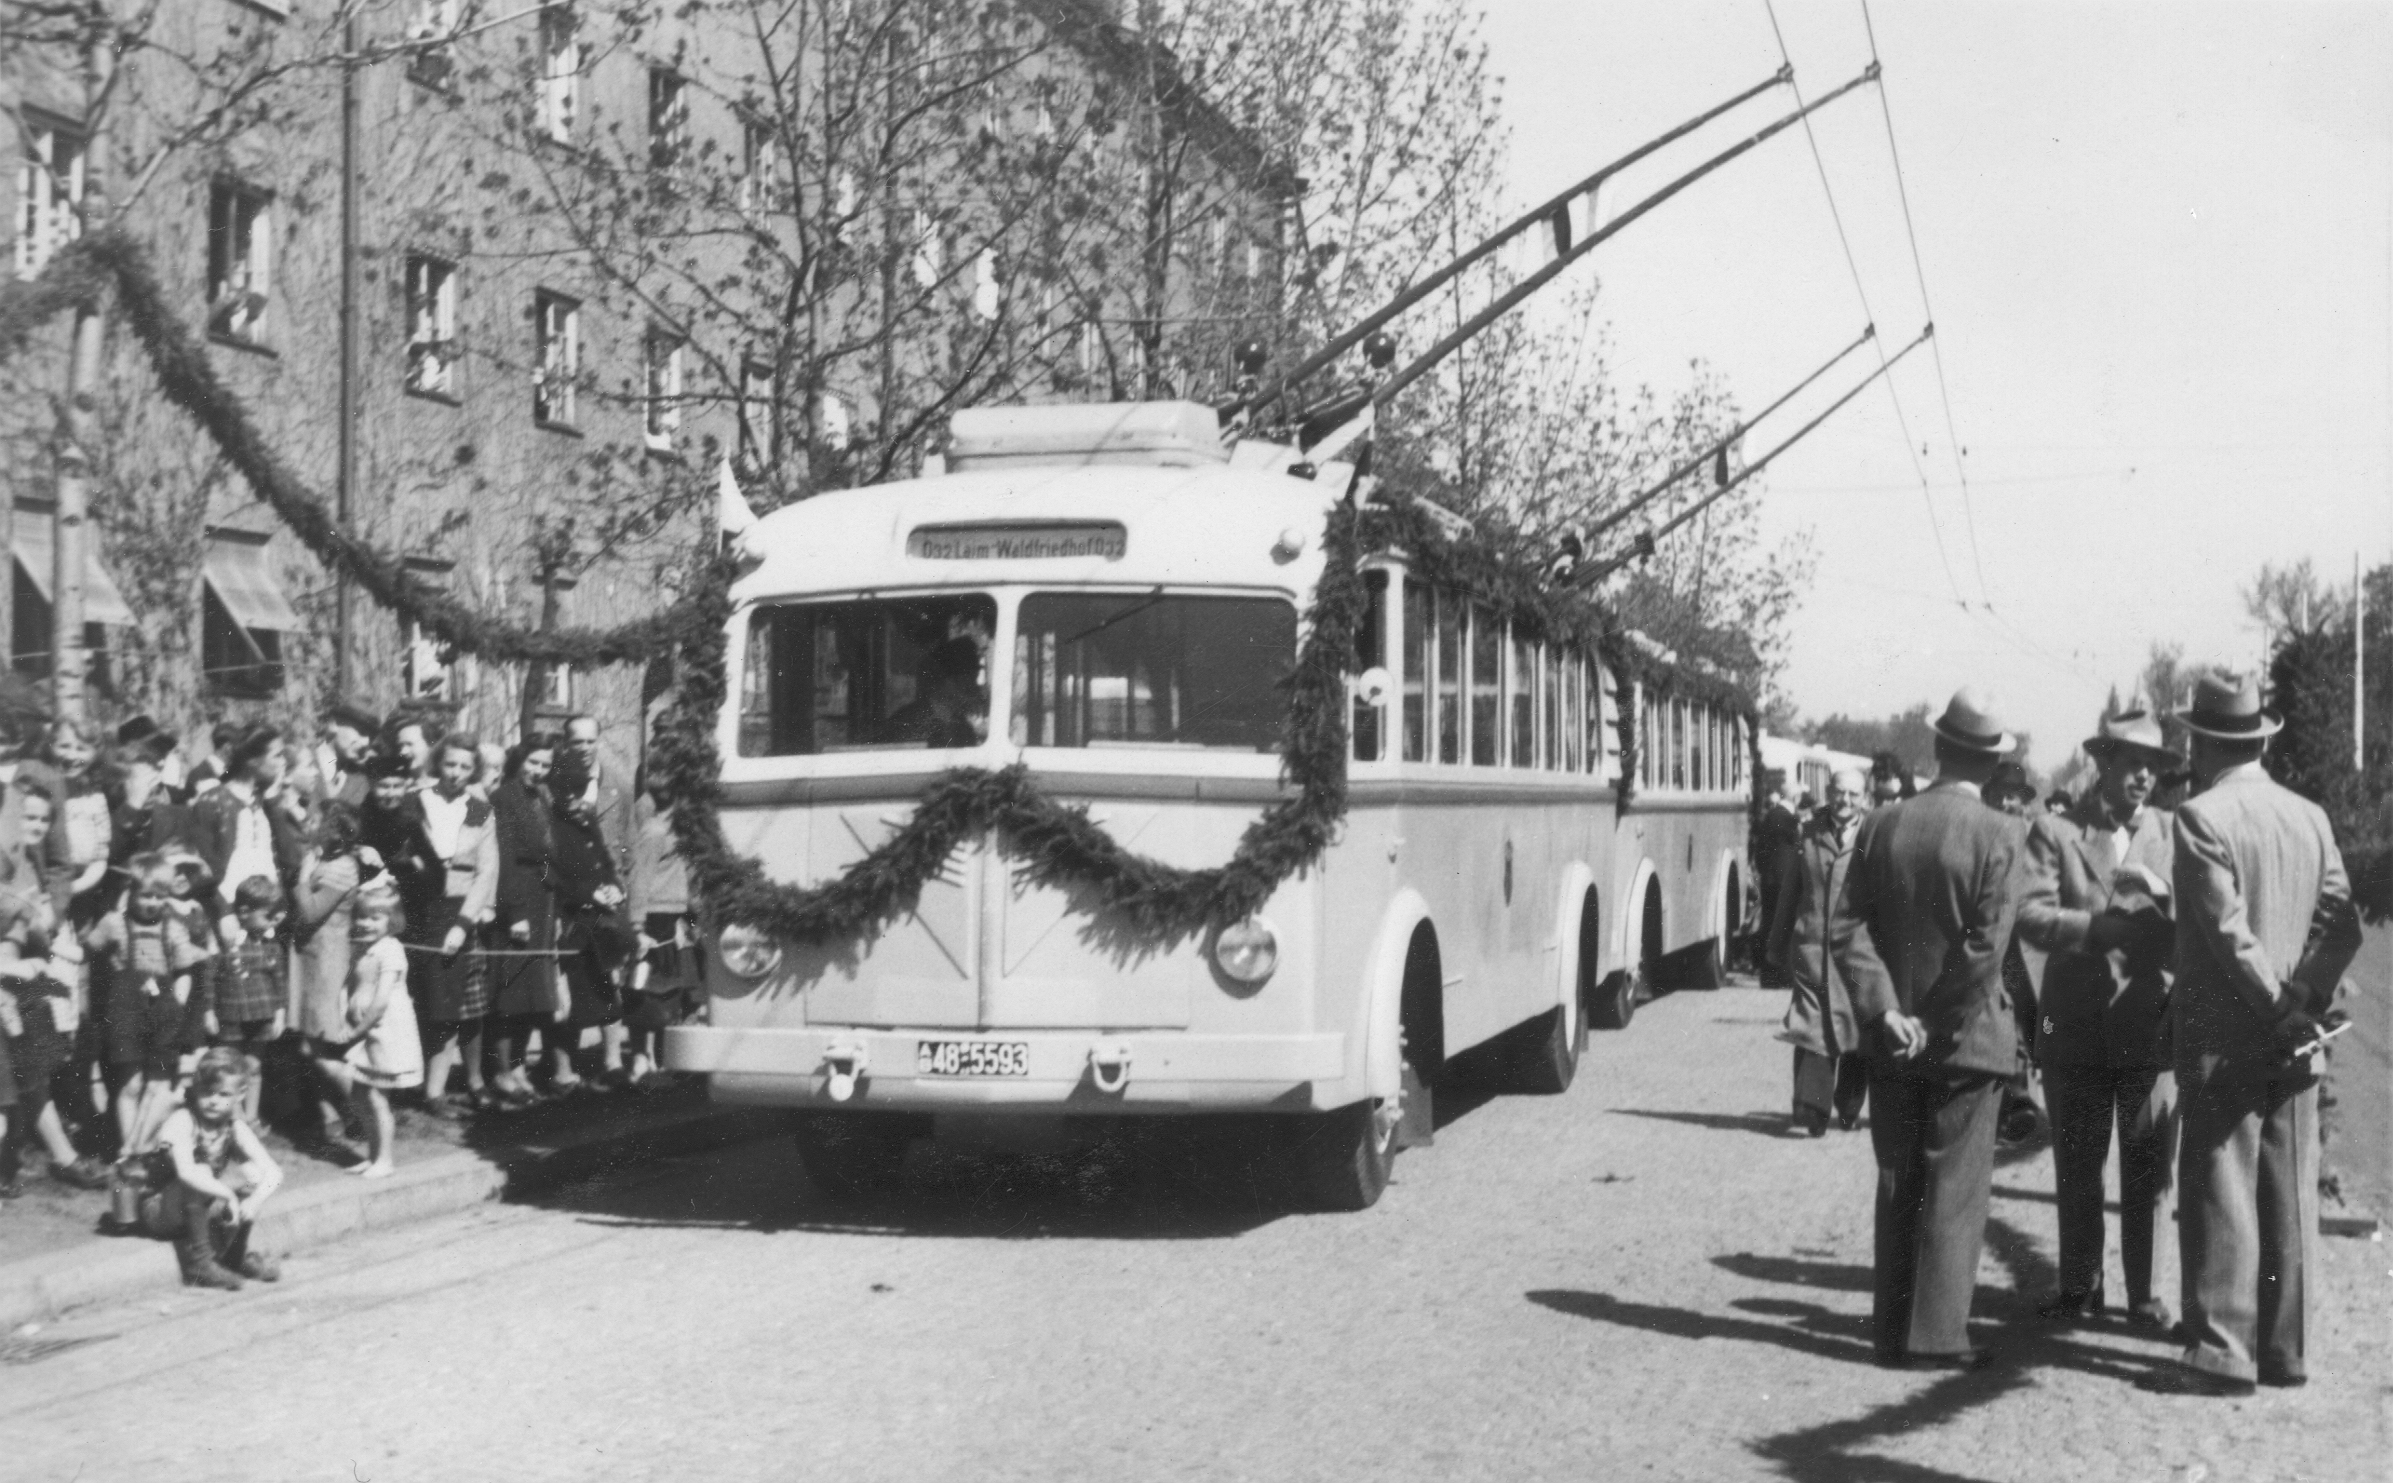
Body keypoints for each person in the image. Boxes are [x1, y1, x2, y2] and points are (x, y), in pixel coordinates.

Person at [2163, 668, 2361, 1395]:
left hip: (2225, 1028)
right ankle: (2286, 1349)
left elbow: (2224, 931)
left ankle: (2221, 1348)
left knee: (2221, 1179)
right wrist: (2305, 993)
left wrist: (2276, 999)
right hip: (2297, 1031)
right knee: (2287, 1185)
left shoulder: (2199, 816)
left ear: (2203, 741)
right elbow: (2342, 919)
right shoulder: (2306, 814)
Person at [1831, 688, 2025, 1370]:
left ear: (1938, 749)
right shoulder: (2001, 834)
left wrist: (1886, 1010)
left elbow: (1845, 924)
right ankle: (1937, 1333)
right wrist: (1933, 1021)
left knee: (1897, 1177)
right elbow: (1984, 950)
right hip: (1965, 1040)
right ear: (1991, 764)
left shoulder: (1880, 824)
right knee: (1954, 1184)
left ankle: (1890, 1327)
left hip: (1891, 1038)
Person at [2016, 705, 2182, 1330]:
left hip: (2149, 1022)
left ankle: (2145, 1295)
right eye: (2132, 764)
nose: (2143, 778)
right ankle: (2081, 1284)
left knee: (2148, 1167)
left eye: (2153, 768)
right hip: (2077, 1023)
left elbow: (2204, 911)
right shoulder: (2055, 831)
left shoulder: (2174, 832)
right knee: (2079, 1165)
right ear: (2103, 764)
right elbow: (2028, 914)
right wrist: (2094, 928)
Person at [0, 787, 107, 1191]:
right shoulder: (7, 861)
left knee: (32, 1072)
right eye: (27, 818)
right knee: (19, 1075)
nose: (36, 827)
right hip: (11, 976)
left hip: (27, 977)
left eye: (44, 820)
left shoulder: (32, 863)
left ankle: (35, 1157)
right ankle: (50, 1156)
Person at [1767, 766, 1869, 1136]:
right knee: (1812, 1024)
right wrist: (1776, 942)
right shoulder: (1808, 833)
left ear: (1865, 799)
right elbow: (1790, 891)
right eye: (1839, 792)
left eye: (1853, 795)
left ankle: (1849, 1103)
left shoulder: (1873, 834)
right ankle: (1811, 1105)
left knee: (1857, 1027)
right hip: (1811, 945)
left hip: (1859, 950)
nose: (1845, 801)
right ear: (1829, 792)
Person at [403, 735, 500, 1116]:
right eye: (450, 765)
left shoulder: (479, 809)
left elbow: (486, 870)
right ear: (438, 764)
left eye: (465, 767)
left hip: (460, 911)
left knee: (464, 1004)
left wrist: (463, 924)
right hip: (421, 909)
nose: (456, 773)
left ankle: (450, 1087)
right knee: (429, 1003)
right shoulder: (415, 801)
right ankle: (427, 1089)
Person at [87, 853, 205, 1157]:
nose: (152, 903)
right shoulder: (114, 923)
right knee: (130, 1086)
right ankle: (129, 1150)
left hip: (163, 1015)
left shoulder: (174, 927)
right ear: (132, 891)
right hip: (125, 1012)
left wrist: (175, 1004)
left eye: (159, 896)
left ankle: (144, 1144)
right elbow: (90, 948)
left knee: (159, 1085)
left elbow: (184, 972)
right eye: (145, 895)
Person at [137, 1048, 283, 1289]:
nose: (214, 1100)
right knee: (201, 1172)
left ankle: (233, 1255)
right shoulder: (183, 1120)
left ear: (240, 1094)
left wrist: (253, 1201)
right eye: (206, 1092)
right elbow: (186, 1172)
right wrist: (227, 1194)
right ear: (195, 1090)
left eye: (223, 1093)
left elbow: (274, 1172)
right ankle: (200, 1263)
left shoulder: (233, 1127)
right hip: (160, 1208)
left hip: (196, 1207)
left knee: (252, 1174)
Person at [291, 802, 380, 1154]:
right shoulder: (329, 860)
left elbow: (311, 911)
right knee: (311, 1045)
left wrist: (302, 876)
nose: (309, 824)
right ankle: (341, 1117)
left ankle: (367, 1108)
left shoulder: (341, 868)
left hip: (327, 961)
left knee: (321, 1046)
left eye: (317, 821)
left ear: (333, 830)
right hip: (311, 958)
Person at [547, 754, 631, 1092]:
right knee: (570, 1000)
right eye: (564, 791)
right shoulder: (549, 826)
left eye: (578, 791)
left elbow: (606, 863)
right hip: (569, 922)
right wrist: (588, 892)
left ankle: (612, 1063)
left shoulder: (586, 820)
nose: (572, 798)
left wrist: (613, 886)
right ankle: (562, 1072)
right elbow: (549, 873)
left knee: (607, 992)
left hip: (600, 922)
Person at [487, 737, 562, 1106]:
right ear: (520, 760)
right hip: (517, 902)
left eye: (545, 765)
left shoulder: (543, 797)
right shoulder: (504, 798)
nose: (538, 771)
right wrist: (515, 913)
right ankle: (502, 1072)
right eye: (533, 762)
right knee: (511, 992)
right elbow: (502, 858)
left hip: (542, 902)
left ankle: (518, 1068)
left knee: (534, 995)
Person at [624, 768, 695, 1089]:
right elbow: (639, 880)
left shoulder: (681, 830)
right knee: (644, 990)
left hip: (671, 918)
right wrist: (637, 927)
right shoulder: (654, 832)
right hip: (652, 918)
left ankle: (655, 1061)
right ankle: (640, 1060)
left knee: (666, 992)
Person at [213, 875, 288, 1128]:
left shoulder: (271, 946)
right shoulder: (227, 943)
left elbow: (279, 980)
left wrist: (279, 1013)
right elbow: (212, 977)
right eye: (267, 915)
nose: (273, 921)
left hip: (262, 1013)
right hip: (231, 1013)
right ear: (244, 912)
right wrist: (210, 1012)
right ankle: (233, 1119)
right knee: (230, 1068)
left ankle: (251, 1118)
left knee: (253, 1066)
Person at [881, 637, 987, 748]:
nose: (975, 689)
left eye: (972, 681)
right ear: (946, 681)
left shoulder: (963, 728)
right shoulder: (906, 722)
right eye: (967, 681)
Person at [1751, 769, 1803, 991]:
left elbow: (1761, 851)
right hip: (1784, 880)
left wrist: (1764, 872)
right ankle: (1782, 975)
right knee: (1783, 926)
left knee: (1770, 923)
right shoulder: (1787, 818)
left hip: (1770, 879)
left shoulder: (1772, 816)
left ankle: (1769, 976)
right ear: (1795, 797)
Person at [317, 703, 380, 812]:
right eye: (362, 732)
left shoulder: (363, 781)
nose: (366, 742)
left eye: (371, 737)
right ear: (333, 724)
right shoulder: (302, 764)